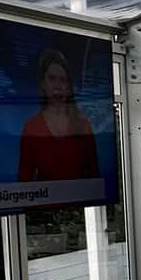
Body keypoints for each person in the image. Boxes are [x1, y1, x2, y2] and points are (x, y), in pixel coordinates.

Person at [16, 48, 101, 182]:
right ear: (43, 84)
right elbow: (24, 181)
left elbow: (95, 178)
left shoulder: (83, 125)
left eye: (63, 80)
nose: (58, 86)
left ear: (69, 87)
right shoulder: (31, 128)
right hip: (45, 196)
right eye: (52, 79)